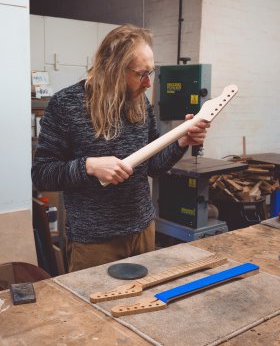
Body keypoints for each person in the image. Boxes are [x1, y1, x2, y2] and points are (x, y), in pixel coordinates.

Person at [32, 24, 209, 272]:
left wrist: (181, 143)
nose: (148, 84)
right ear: (112, 68)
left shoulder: (139, 103)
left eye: (152, 72)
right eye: (141, 74)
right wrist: (89, 166)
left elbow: (154, 166)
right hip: (94, 242)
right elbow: (42, 174)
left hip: (143, 230)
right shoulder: (66, 105)